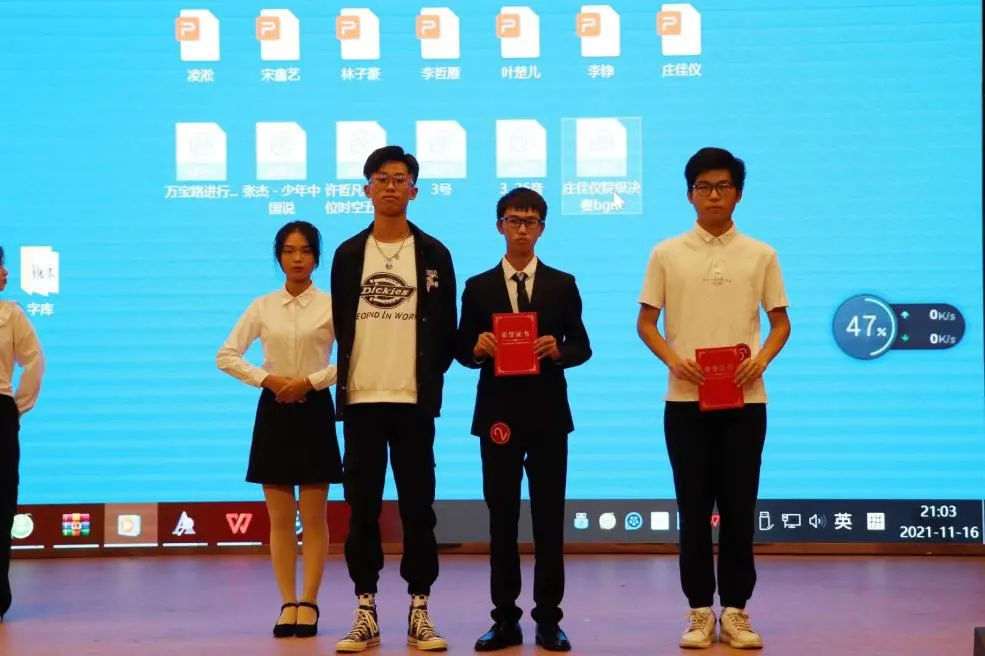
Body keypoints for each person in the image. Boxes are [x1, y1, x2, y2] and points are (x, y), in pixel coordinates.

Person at [636, 147, 791, 650]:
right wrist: (674, 360)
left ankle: (737, 611)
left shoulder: (761, 254)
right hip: (685, 402)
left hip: (746, 402)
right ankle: (700, 611)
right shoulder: (667, 253)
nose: (714, 195)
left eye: (723, 186)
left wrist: (759, 361)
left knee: (740, 509)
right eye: (703, 187)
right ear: (690, 195)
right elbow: (646, 322)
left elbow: (781, 323)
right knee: (694, 508)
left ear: (738, 194)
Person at [330, 146, 457, 653]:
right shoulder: (347, 255)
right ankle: (365, 611)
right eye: (381, 178)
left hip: (412, 402)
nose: (390, 186)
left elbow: (446, 330)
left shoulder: (434, 254)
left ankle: (419, 610)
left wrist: (425, 378)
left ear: (414, 190)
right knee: (361, 510)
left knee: (417, 509)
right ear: (366, 189)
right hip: (361, 400)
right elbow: (341, 324)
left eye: (400, 178)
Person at [456, 187, 592, 653]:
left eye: (530, 222)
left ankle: (549, 620)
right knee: (502, 519)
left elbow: (583, 345)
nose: (521, 229)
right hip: (498, 416)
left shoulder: (562, 283)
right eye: (514, 220)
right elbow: (461, 349)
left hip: (548, 415)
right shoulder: (478, 287)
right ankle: (504, 619)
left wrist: (559, 350)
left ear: (542, 229)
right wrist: (477, 348)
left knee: (549, 519)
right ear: (500, 226)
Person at [216, 221, 342, 640]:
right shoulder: (263, 306)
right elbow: (226, 355)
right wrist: (268, 380)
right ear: (279, 257)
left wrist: (311, 381)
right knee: (280, 519)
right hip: (274, 409)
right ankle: (288, 602)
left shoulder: (332, 305)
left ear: (316, 258)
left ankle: (309, 601)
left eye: (305, 251)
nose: (297, 258)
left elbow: (353, 357)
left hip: (315, 407)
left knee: (315, 517)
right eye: (289, 251)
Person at [0, 245, 46, 622]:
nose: (5, 273)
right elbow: (33, 362)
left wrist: (16, 407)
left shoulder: (11, 313)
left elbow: (34, 362)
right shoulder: (11, 313)